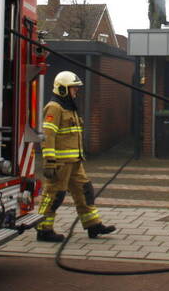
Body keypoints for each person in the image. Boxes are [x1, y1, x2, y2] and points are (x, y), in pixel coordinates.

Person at [35, 71, 116, 242]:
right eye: (73, 88)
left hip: (75, 162)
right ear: (63, 89)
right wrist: (49, 161)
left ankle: (93, 225)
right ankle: (43, 229)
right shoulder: (54, 108)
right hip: (60, 163)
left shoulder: (69, 108)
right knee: (54, 195)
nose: (76, 91)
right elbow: (48, 135)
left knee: (85, 192)